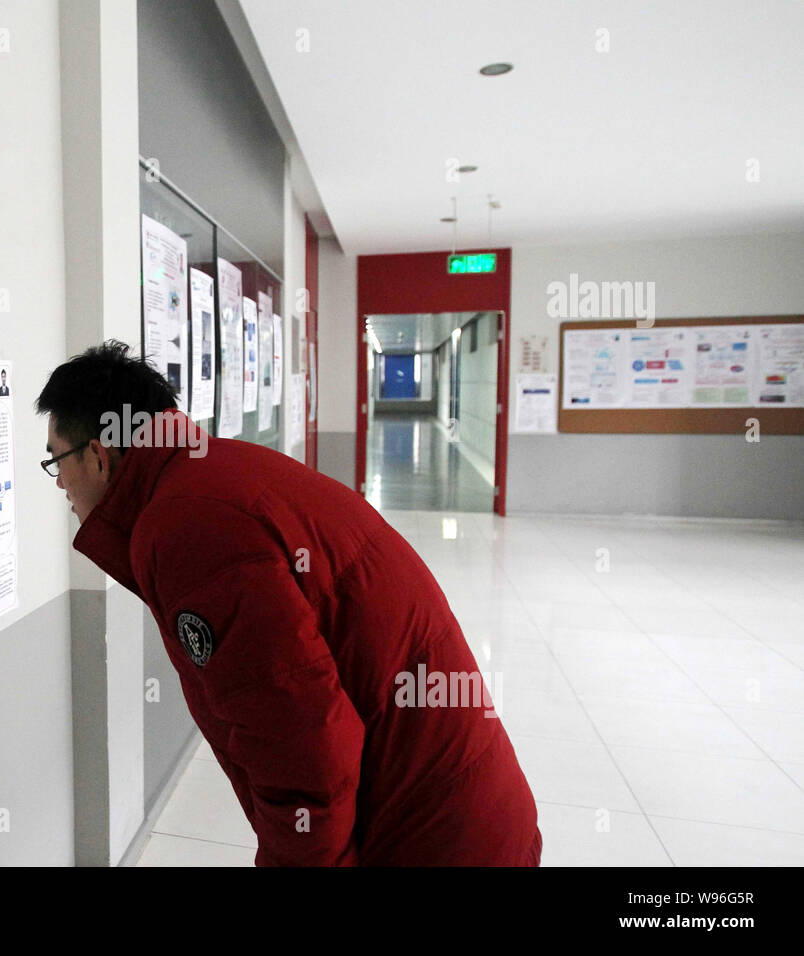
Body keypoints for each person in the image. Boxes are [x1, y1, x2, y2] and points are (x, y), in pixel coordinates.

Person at [36, 340, 540, 867]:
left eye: (56, 459)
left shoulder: (185, 527)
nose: (60, 484)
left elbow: (304, 753)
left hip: (432, 838)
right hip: (461, 808)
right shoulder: (218, 472)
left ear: (97, 453)